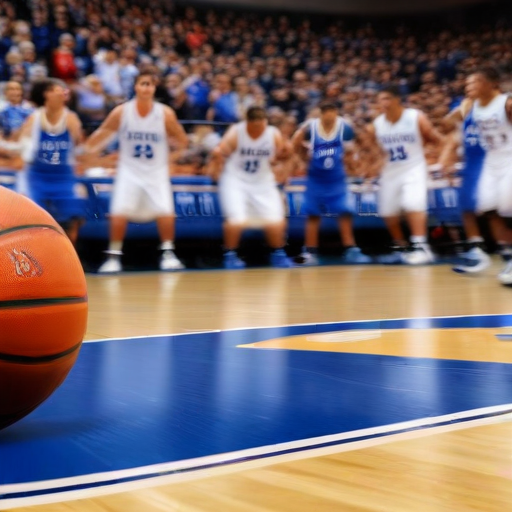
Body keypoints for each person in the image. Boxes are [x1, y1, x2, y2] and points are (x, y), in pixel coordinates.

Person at [84, 72, 189, 273]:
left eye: (150, 84)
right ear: (136, 87)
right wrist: (88, 154)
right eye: (143, 83)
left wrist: (172, 158)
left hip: (156, 171)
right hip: (129, 171)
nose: (147, 88)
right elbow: (100, 136)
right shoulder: (122, 112)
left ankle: (168, 254)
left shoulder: (165, 113)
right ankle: (114, 257)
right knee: (118, 213)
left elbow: (182, 141)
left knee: (166, 212)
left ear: (155, 88)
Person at [366, 85, 444, 265]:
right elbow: (375, 152)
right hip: (390, 171)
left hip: (413, 167)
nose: (382, 104)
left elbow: (436, 139)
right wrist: (372, 166)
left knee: (412, 203)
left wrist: (438, 159)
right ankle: (401, 249)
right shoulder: (377, 124)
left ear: (396, 100)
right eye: (379, 101)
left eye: (385, 99)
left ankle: (421, 248)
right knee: (387, 211)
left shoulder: (415, 117)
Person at [209, 105, 292, 269]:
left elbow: (286, 154)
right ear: (247, 123)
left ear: (265, 123)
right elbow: (218, 153)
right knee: (236, 219)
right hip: (236, 180)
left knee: (276, 219)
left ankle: (278, 253)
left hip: (263, 180)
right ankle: (230, 255)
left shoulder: (272, 134)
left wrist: (285, 172)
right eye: (255, 127)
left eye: (261, 126)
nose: (258, 130)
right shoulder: (236, 132)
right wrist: (215, 170)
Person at [291, 100, 372, 265]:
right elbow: (294, 146)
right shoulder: (309, 128)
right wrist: (301, 160)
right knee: (313, 215)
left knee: (344, 212)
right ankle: (310, 251)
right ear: (321, 114)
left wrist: (356, 165)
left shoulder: (345, 128)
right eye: (327, 112)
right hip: (315, 178)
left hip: (336, 178)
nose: (331, 116)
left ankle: (351, 249)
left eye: (333, 112)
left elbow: (357, 147)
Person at [17, 78, 84, 245]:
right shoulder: (34, 118)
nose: (62, 92)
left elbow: (80, 149)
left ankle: (69, 260)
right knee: (32, 221)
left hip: (63, 176)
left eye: (63, 89)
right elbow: (20, 146)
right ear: (46, 94)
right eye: (57, 89)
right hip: (37, 176)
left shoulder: (71, 119)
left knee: (73, 219)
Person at [439, 74, 491, 274]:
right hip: (472, 163)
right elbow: (447, 124)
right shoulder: (467, 107)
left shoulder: (500, 106)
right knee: (467, 207)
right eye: (467, 84)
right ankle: (477, 251)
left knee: (501, 209)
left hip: (494, 160)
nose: (468, 87)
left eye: (474, 83)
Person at [469, 67, 512, 285]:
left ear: (491, 84)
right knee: (488, 208)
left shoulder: (507, 103)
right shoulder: (474, 106)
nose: (470, 87)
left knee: (509, 209)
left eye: (475, 83)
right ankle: (507, 255)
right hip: (491, 161)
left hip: (510, 158)